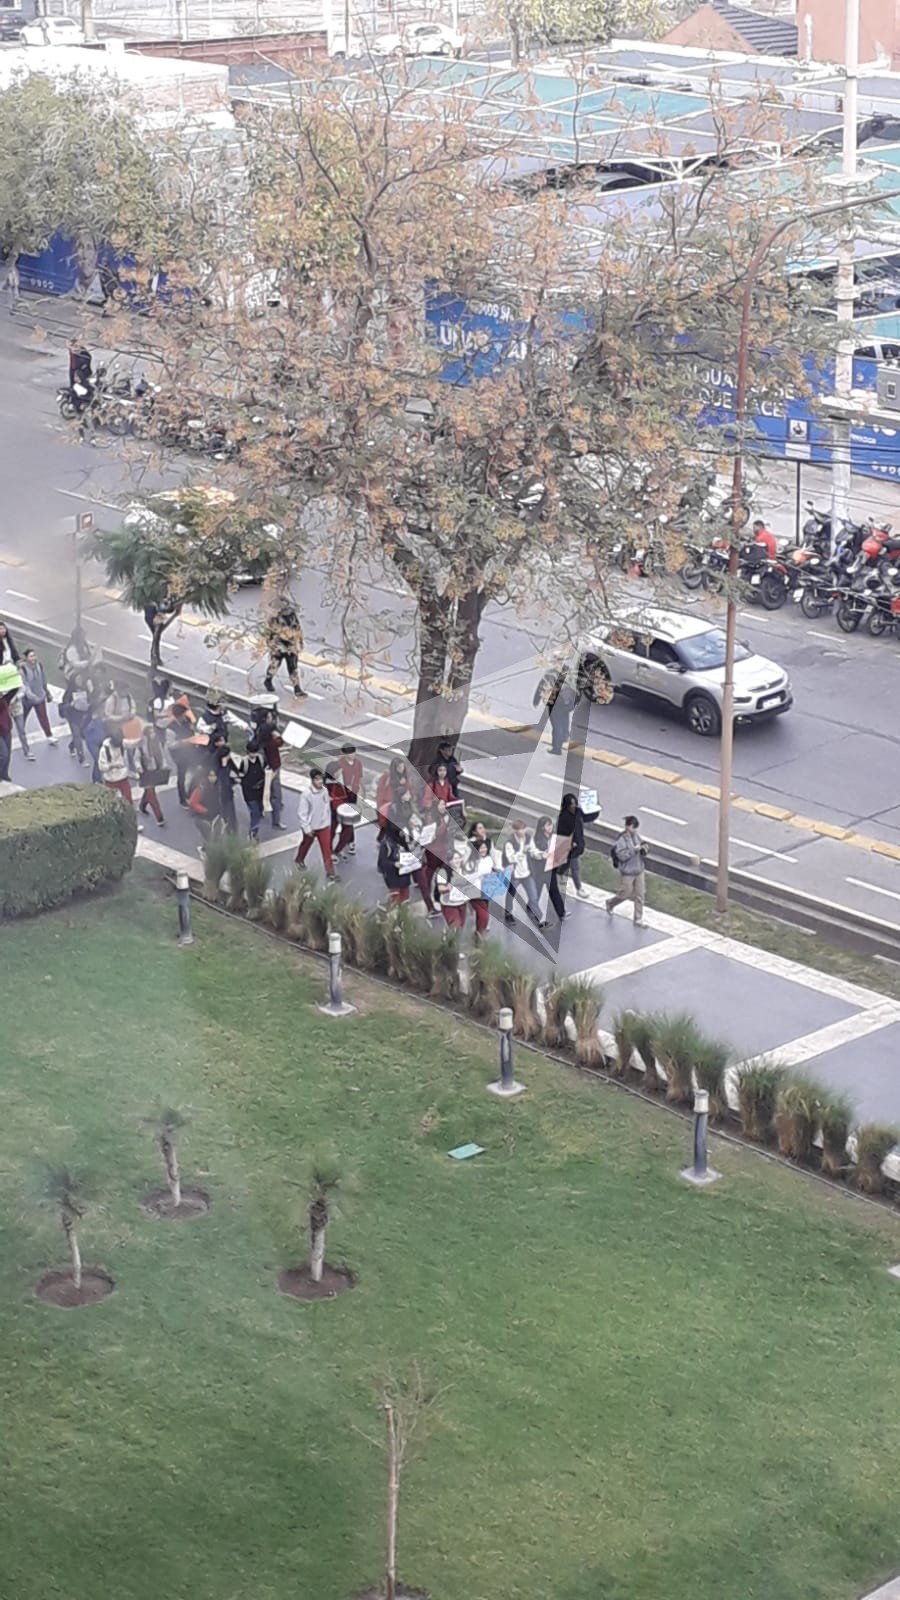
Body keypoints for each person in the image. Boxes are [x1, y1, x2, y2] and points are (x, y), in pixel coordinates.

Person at [606, 814, 648, 928]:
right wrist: (633, 850)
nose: (633, 830)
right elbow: (621, 856)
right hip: (628, 872)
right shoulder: (621, 839)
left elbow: (642, 846)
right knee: (625, 894)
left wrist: (644, 849)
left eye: (635, 828)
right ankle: (611, 903)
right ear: (627, 826)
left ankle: (638, 919)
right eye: (632, 827)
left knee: (640, 895)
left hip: (639, 870)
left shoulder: (636, 836)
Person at [556, 792, 598, 902]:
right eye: (571, 805)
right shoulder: (563, 817)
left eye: (575, 803)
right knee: (575, 867)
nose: (573, 806)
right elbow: (561, 833)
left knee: (567, 863)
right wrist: (569, 843)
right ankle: (579, 889)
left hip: (578, 844)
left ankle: (558, 873)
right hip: (570, 845)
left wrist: (595, 810)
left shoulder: (578, 812)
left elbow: (587, 817)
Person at [503, 819, 545, 927]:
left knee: (533, 896)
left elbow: (533, 851)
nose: (522, 831)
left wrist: (541, 854)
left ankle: (539, 918)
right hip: (515, 874)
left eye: (523, 829)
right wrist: (522, 851)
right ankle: (508, 912)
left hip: (527, 873)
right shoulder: (510, 842)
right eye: (520, 829)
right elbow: (511, 858)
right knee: (511, 894)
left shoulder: (528, 838)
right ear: (515, 830)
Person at [296, 768, 336, 879]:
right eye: (317, 779)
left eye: (321, 779)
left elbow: (326, 805)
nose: (320, 782)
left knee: (326, 849)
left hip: (324, 826)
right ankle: (299, 859)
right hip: (311, 827)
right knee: (306, 844)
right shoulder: (306, 795)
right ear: (312, 780)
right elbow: (302, 814)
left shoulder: (324, 790)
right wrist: (307, 828)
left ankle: (330, 872)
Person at [327, 742, 364, 858]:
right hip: (343, 794)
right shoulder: (340, 764)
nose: (352, 755)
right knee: (339, 821)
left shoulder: (358, 763)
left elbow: (359, 777)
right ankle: (332, 847)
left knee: (350, 819)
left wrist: (361, 789)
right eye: (350, 752)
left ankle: (350, 841)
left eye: (353, 752)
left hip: (353, 793)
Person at [263, 602, 306, 697]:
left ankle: (297, 688)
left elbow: (298, 630)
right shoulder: (274, 620)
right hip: (278, 646)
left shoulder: (293, 617)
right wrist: (275, 644)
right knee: (275, 665)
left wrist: (299, 643)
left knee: (293, 667)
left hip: (291, 645)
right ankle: (268, 679)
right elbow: (269, 635)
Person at [529, 814, 566, 922]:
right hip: (542, 870)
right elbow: (537, 854)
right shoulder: (539, 841)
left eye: (551, 825)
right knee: (539, 890)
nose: (550, 827)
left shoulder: (551, 838)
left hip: (550, 870)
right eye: (548, 825)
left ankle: (561, 912)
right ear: (542, 828)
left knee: (552, 891)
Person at [17, 649, 56, 749]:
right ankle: (21, 735)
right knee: (22, 718)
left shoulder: (39, 666)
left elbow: (43, 680)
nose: (33, 658)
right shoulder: (23, 670)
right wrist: (33, 697)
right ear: (26, 658)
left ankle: (49, 735)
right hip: (28, 700)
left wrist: (46, 692)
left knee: (43, 717)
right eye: (31, 656)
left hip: (40, 696)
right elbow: (25, 686)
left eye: (34, 655)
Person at [254, 709, 286, 830]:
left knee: (263, 792)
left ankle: (261, 810)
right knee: (276, 795)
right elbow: (280, 741)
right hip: (273, 770)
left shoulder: (259, 736)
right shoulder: (272, 743)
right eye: (269, 717)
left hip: (264, 771)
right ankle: (276, 821)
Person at [534, 668, 576, 756]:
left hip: (555, 702)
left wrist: (536, 702)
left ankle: (556, 748)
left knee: (556, 725)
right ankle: (564, 737)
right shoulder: (568, 671)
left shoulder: (549, 674)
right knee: (564, 718)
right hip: (567, 702)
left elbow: (541, 687)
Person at [137, 718, 169, 826]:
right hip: (145, 771)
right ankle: (160, 818)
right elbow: (136, 758)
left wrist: (164, 764)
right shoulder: (141, 744)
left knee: (149, 792)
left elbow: (161, 753)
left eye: (154, 732)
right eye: (151, 732)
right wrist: (139, 768)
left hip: (155, 770)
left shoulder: (156, 742)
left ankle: (142, 806)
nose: (153, 734)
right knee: (152, 795)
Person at [433, 846, 470, 932]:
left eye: (459, 858)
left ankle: (449, 938)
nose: (457, 861)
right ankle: (450, 942)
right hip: (449, 904)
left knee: (460, 927)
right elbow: (441, 888)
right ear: (449, 861)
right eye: (455, 859)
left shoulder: (464, 870)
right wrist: (450, 886)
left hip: (461, 903)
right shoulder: (443, 872)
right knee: (455, 927)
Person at [98, 727, 136, 810]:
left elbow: (132, 743)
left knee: (128, 799)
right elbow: (101, 767)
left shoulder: (122, 743)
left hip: (123, 777)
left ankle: (130, 813)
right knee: (111, 802)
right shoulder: (104, 750)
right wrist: (112, 766)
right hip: (111, 780)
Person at [467, 836, 496, 938]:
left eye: (485, 848)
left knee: (483, 911)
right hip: (474, 890)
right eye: (481, 848)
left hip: (486, 889)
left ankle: (479, 930)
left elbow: (491, 871)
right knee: (483, 914)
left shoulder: (488, 859)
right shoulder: (471, 862)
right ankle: (479, 932)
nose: (483, 850)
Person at [60, 673, 91, 766]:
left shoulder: (86, 690)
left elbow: (90, 699)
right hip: (73, 716)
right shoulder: (70, 692)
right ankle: (81, 759)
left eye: (81, 679)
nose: (80, 681)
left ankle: (71, 746)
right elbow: (64, 705)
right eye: (78, 679)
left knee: (80, 734)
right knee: (77, 735)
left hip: (83, 716)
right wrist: (71, 704)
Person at [143, 597, 181, 670]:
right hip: (153, 616)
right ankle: (155, 656)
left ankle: (155, 656)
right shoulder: (157, 603)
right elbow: (165, 608)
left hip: (152, 616)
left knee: (157, 636)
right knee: (157, 636)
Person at [238, 741, 266, 840]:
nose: (253, 755)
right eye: (251, 752)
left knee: (259, 810)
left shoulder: (261, 759)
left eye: (255, 752)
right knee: (255, 812)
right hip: (249, 792)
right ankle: (252, 833)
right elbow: (241, 776)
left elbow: (265, 770)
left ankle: (254, 830)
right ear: (247, 752)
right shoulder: (244, 762)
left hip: (260, 791)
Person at [189, 766, 221, 851]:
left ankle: (207, 849)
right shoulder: (202, 787)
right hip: (202, 816)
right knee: (209, 835)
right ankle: (210, 853)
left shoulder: (219, 786)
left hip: (216, 815)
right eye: (210, 776)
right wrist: (205, 811)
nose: (213, 778)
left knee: (214, 836)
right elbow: (193, 803)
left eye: (214, 776)